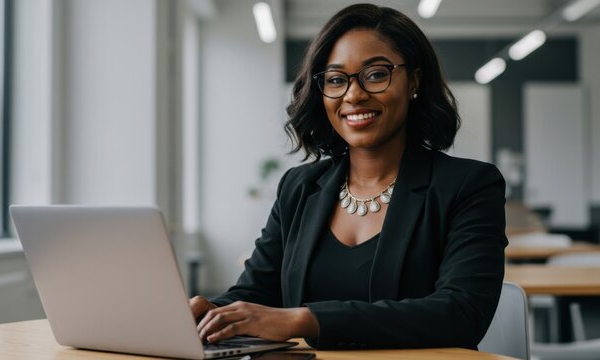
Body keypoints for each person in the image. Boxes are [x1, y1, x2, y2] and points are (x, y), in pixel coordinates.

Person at [190, 3, 507, 350]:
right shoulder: (299, 187)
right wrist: (211, 311)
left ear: (414, 81)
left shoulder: (468, 185)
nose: (354, 95)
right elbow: (256, 291)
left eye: (376, 74)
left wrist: (305, 319)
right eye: (337, 80)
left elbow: (461, 314)